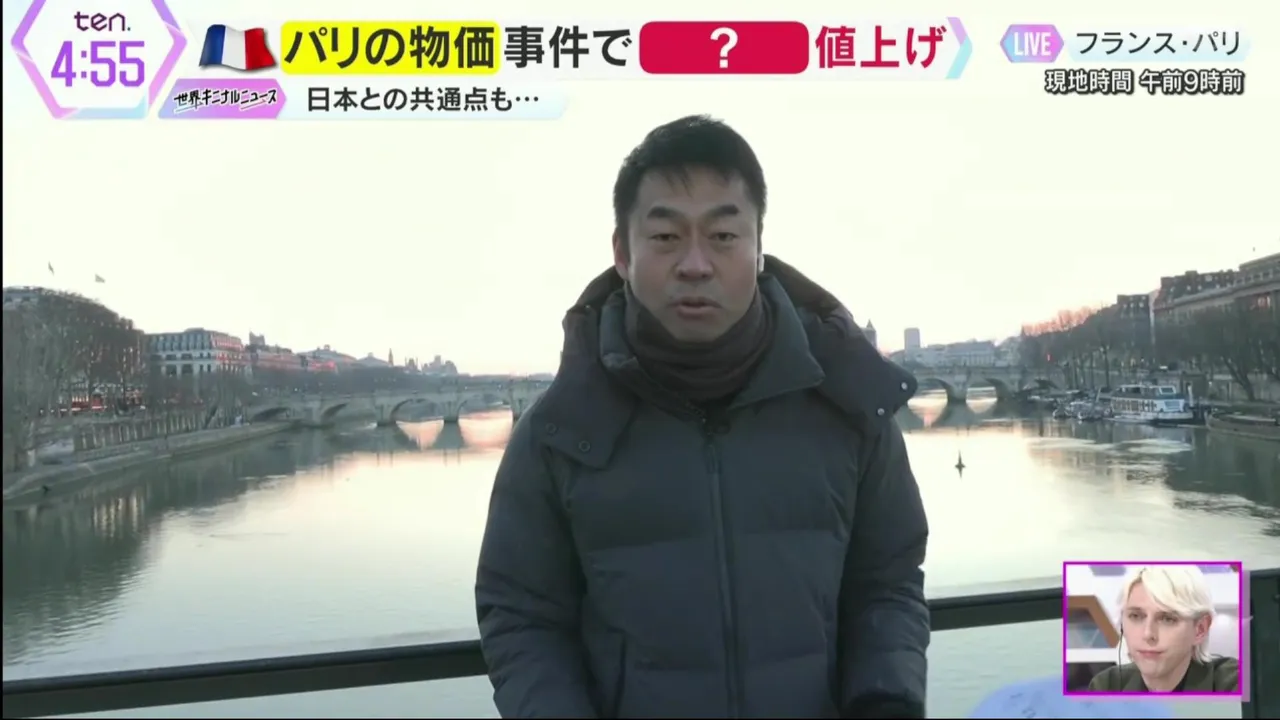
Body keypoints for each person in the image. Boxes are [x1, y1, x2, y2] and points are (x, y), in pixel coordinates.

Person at [474, 115, 929, 718]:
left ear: (759, 249)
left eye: (723, 236)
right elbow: (522, 616)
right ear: (622, 254)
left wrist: (886, 703)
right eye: (665, 237)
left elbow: (888, 583)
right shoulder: (561, 430)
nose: (695, 264)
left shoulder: (848, 404)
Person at [1087, 565, 1239, 693]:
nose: (1148, 634)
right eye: (1136, 616)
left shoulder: (1234, 683)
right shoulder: (1106, 686)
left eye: (1167, 619)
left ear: (1200, 629)